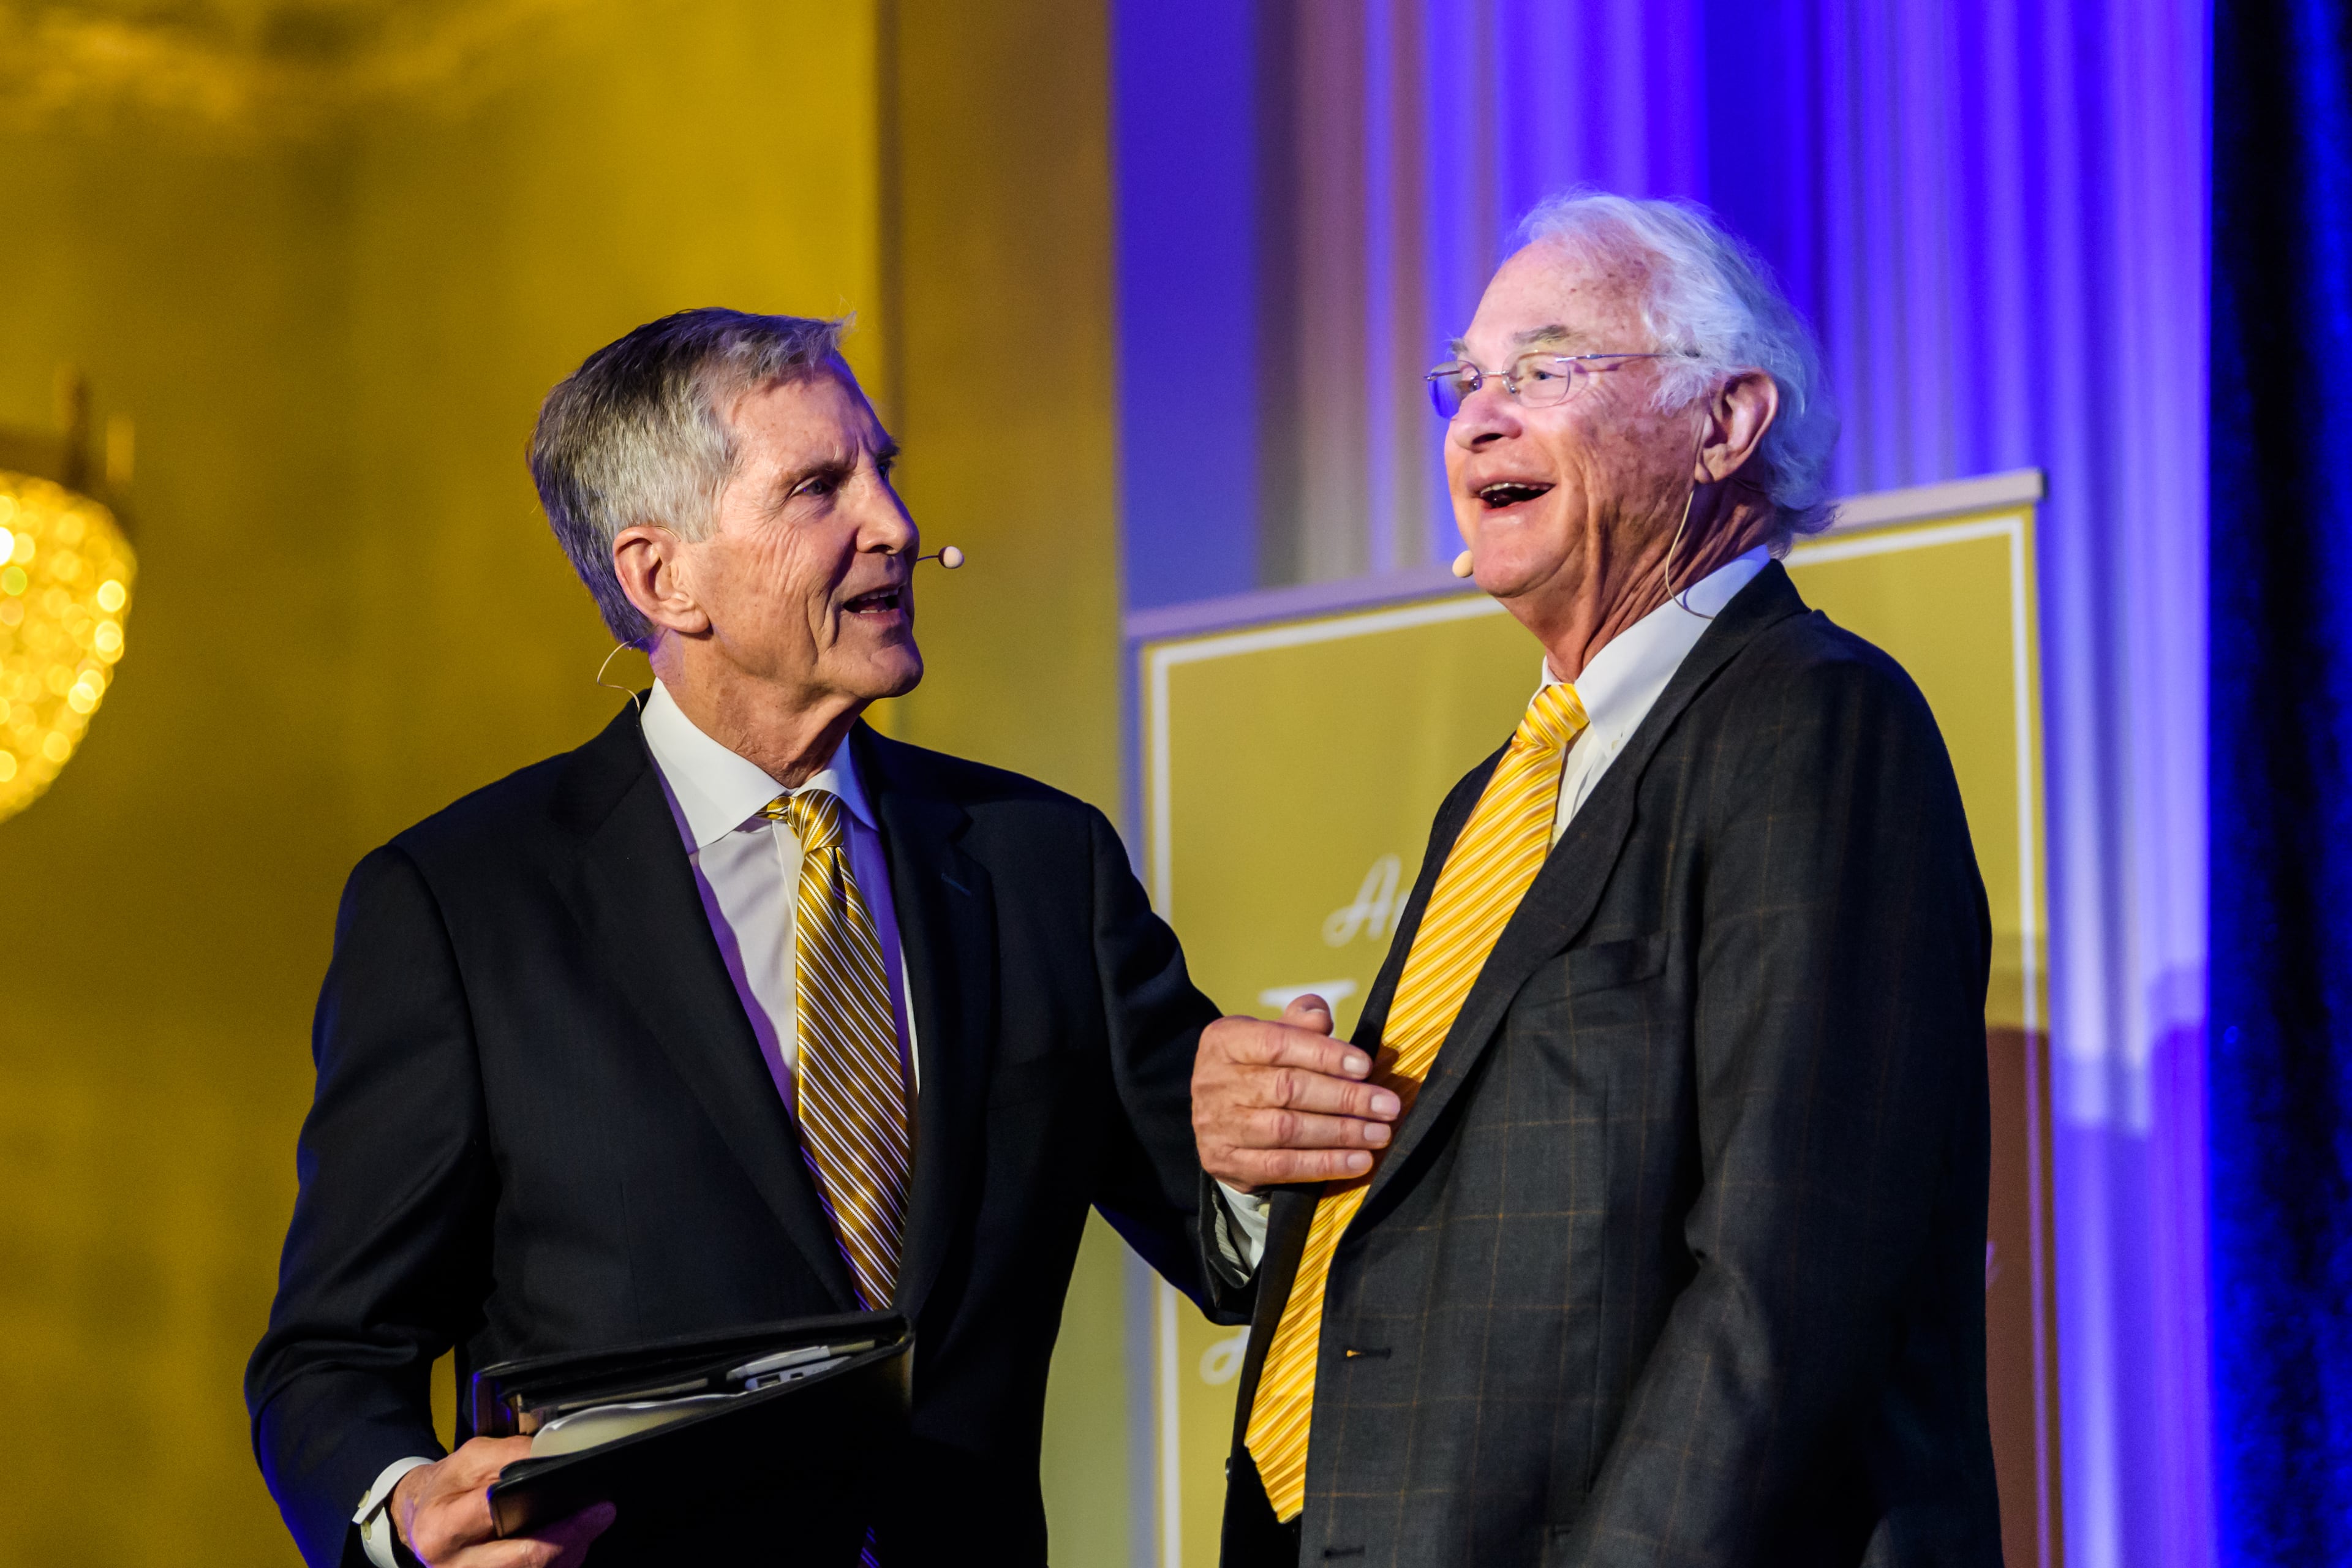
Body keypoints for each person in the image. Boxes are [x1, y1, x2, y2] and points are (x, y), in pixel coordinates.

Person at [247, 309, 1229, 1567]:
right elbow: (331, 1354)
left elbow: (1225, 1225)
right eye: (820, 485)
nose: (895, 524)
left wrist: (1275, 1137)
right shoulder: (460, 905)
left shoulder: (1044, 864)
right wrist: (400, 1515)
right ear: (665, 577)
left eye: (882, 467)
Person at [1189, 193, 2002, 1566]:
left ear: (1724, 423)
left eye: (1547, 369)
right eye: (1466, 382)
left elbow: (1785, 1290)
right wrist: (1264, 1162)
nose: (1476, 421)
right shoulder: (1499, 791)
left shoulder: (1813, 726)